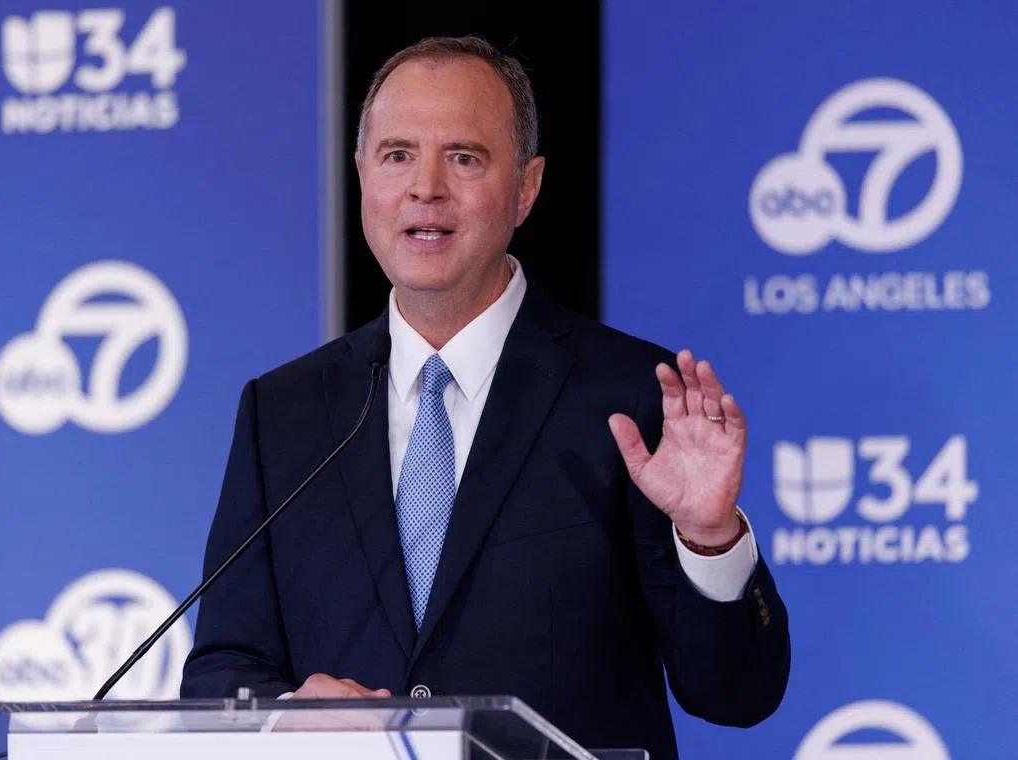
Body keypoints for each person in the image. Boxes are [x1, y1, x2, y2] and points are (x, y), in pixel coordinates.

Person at [181, 35, 789, 758]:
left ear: (527, 188)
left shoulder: (630, 398)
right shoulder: (282, 413)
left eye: (464, 158)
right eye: (397, 155)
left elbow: (736, 695)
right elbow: (221, 671)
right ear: (361, 176)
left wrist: (708, 537)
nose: (425, 188)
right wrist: (286, 716)